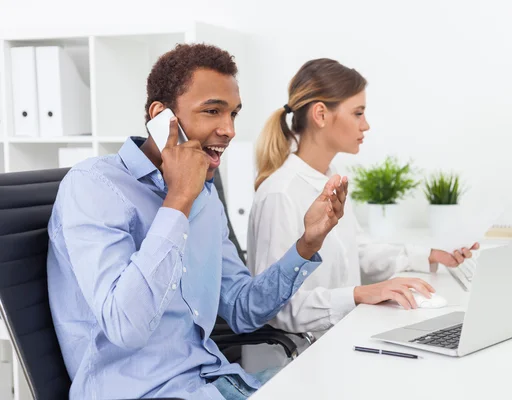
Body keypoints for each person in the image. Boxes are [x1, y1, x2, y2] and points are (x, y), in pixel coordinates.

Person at [47, 44, 348, 400]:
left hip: (214, 382)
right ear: (161, 117)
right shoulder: (93, 187)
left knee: (345, 381)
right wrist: (177, 202)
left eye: (233, 114)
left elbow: (241, 309)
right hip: (139, 392)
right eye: (212, 111)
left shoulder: (204, 196)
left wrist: (306, 244)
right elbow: (125, 326)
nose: (229, 129)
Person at [243, 58, 478, 371]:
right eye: (358, 113)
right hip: (296, 363)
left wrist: (431, 255)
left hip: (338, 340)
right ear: (321, 114)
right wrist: (359, 294)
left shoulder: (330, 175)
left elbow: (358, 251)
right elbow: (279, 309)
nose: (365, 125)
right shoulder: (281, 193)